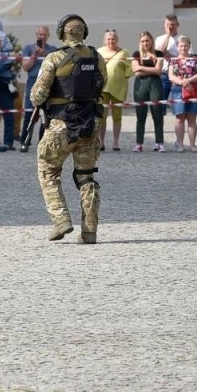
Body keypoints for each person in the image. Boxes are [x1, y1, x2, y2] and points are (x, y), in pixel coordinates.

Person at [30, 13, 105, 243]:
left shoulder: (54, 58)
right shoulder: (97, 57)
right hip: (89, 126)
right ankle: (89, 231)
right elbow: (102, 85)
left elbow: (37, 95)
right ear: (84, 32)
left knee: (48, 170)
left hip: (61, 125)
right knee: (86, 176)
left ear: (62, 33)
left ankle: (61, 221)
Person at [130, 30, 167, 152]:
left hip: (155, 84)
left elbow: (158, 71)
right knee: (140, 114)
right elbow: (135, 71)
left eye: (147, 41)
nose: (145, 43)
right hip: (140, 85)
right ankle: (139, 143)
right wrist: (150, 69)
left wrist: (141, 68)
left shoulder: (158, 53)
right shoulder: (136, 54)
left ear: (151, 41)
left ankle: (159, 143)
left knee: (157, 113)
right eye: (142, 41)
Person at [95, 30, 132, 152]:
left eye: (113, 39)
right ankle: (101, 142)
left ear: (117, 40)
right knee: (102, 116)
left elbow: (129, 69)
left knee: (117, 116)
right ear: (105, 40)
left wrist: (125, 75)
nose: (111, 41)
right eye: (109, 39)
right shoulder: (99, 51)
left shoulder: (124, 52)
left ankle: (116, 142)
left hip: (118, 87)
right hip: (103, 88)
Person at [20, 24, 56, 146]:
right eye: (40, 34)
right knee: (29, 112)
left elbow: (56, 66)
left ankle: (42, 142)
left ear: (48, 36)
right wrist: (34, 56)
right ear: (36, 35)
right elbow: (25, 67)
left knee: (45, 114)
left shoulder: (52, 50)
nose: (42, 37)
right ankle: (25, 141)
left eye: (45, 35)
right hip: (32, 82)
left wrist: (45, 54)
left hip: (47, 83)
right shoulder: (28, 48)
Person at [168, 36, 197, 152]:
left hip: (193, 89)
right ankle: (180, 145)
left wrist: (188, 80)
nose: (183, 48)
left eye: (185, 46)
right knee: (179, 118)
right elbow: (171, 76)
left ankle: (192, 145)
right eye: (181, 46)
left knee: (192, 119)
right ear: (177, 47)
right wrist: (182, 82)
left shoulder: (196, 59)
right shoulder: (173, 60)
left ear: (189, 46)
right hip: (177, 90)